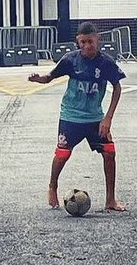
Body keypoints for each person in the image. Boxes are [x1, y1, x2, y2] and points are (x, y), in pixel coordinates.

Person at [29, 22, 126, 213]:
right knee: (63, 154)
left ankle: (110, 200)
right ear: (78, 42)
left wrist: (108, 118)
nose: (87, 46)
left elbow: (117, 87)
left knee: (109, 153)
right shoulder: (70, 60)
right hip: (71, 116)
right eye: (82, 42)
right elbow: (50, 77)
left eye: (90, 41)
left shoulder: (106, 63)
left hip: (95, 118)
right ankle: (52, 186)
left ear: (97, 39)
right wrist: (38, 78)